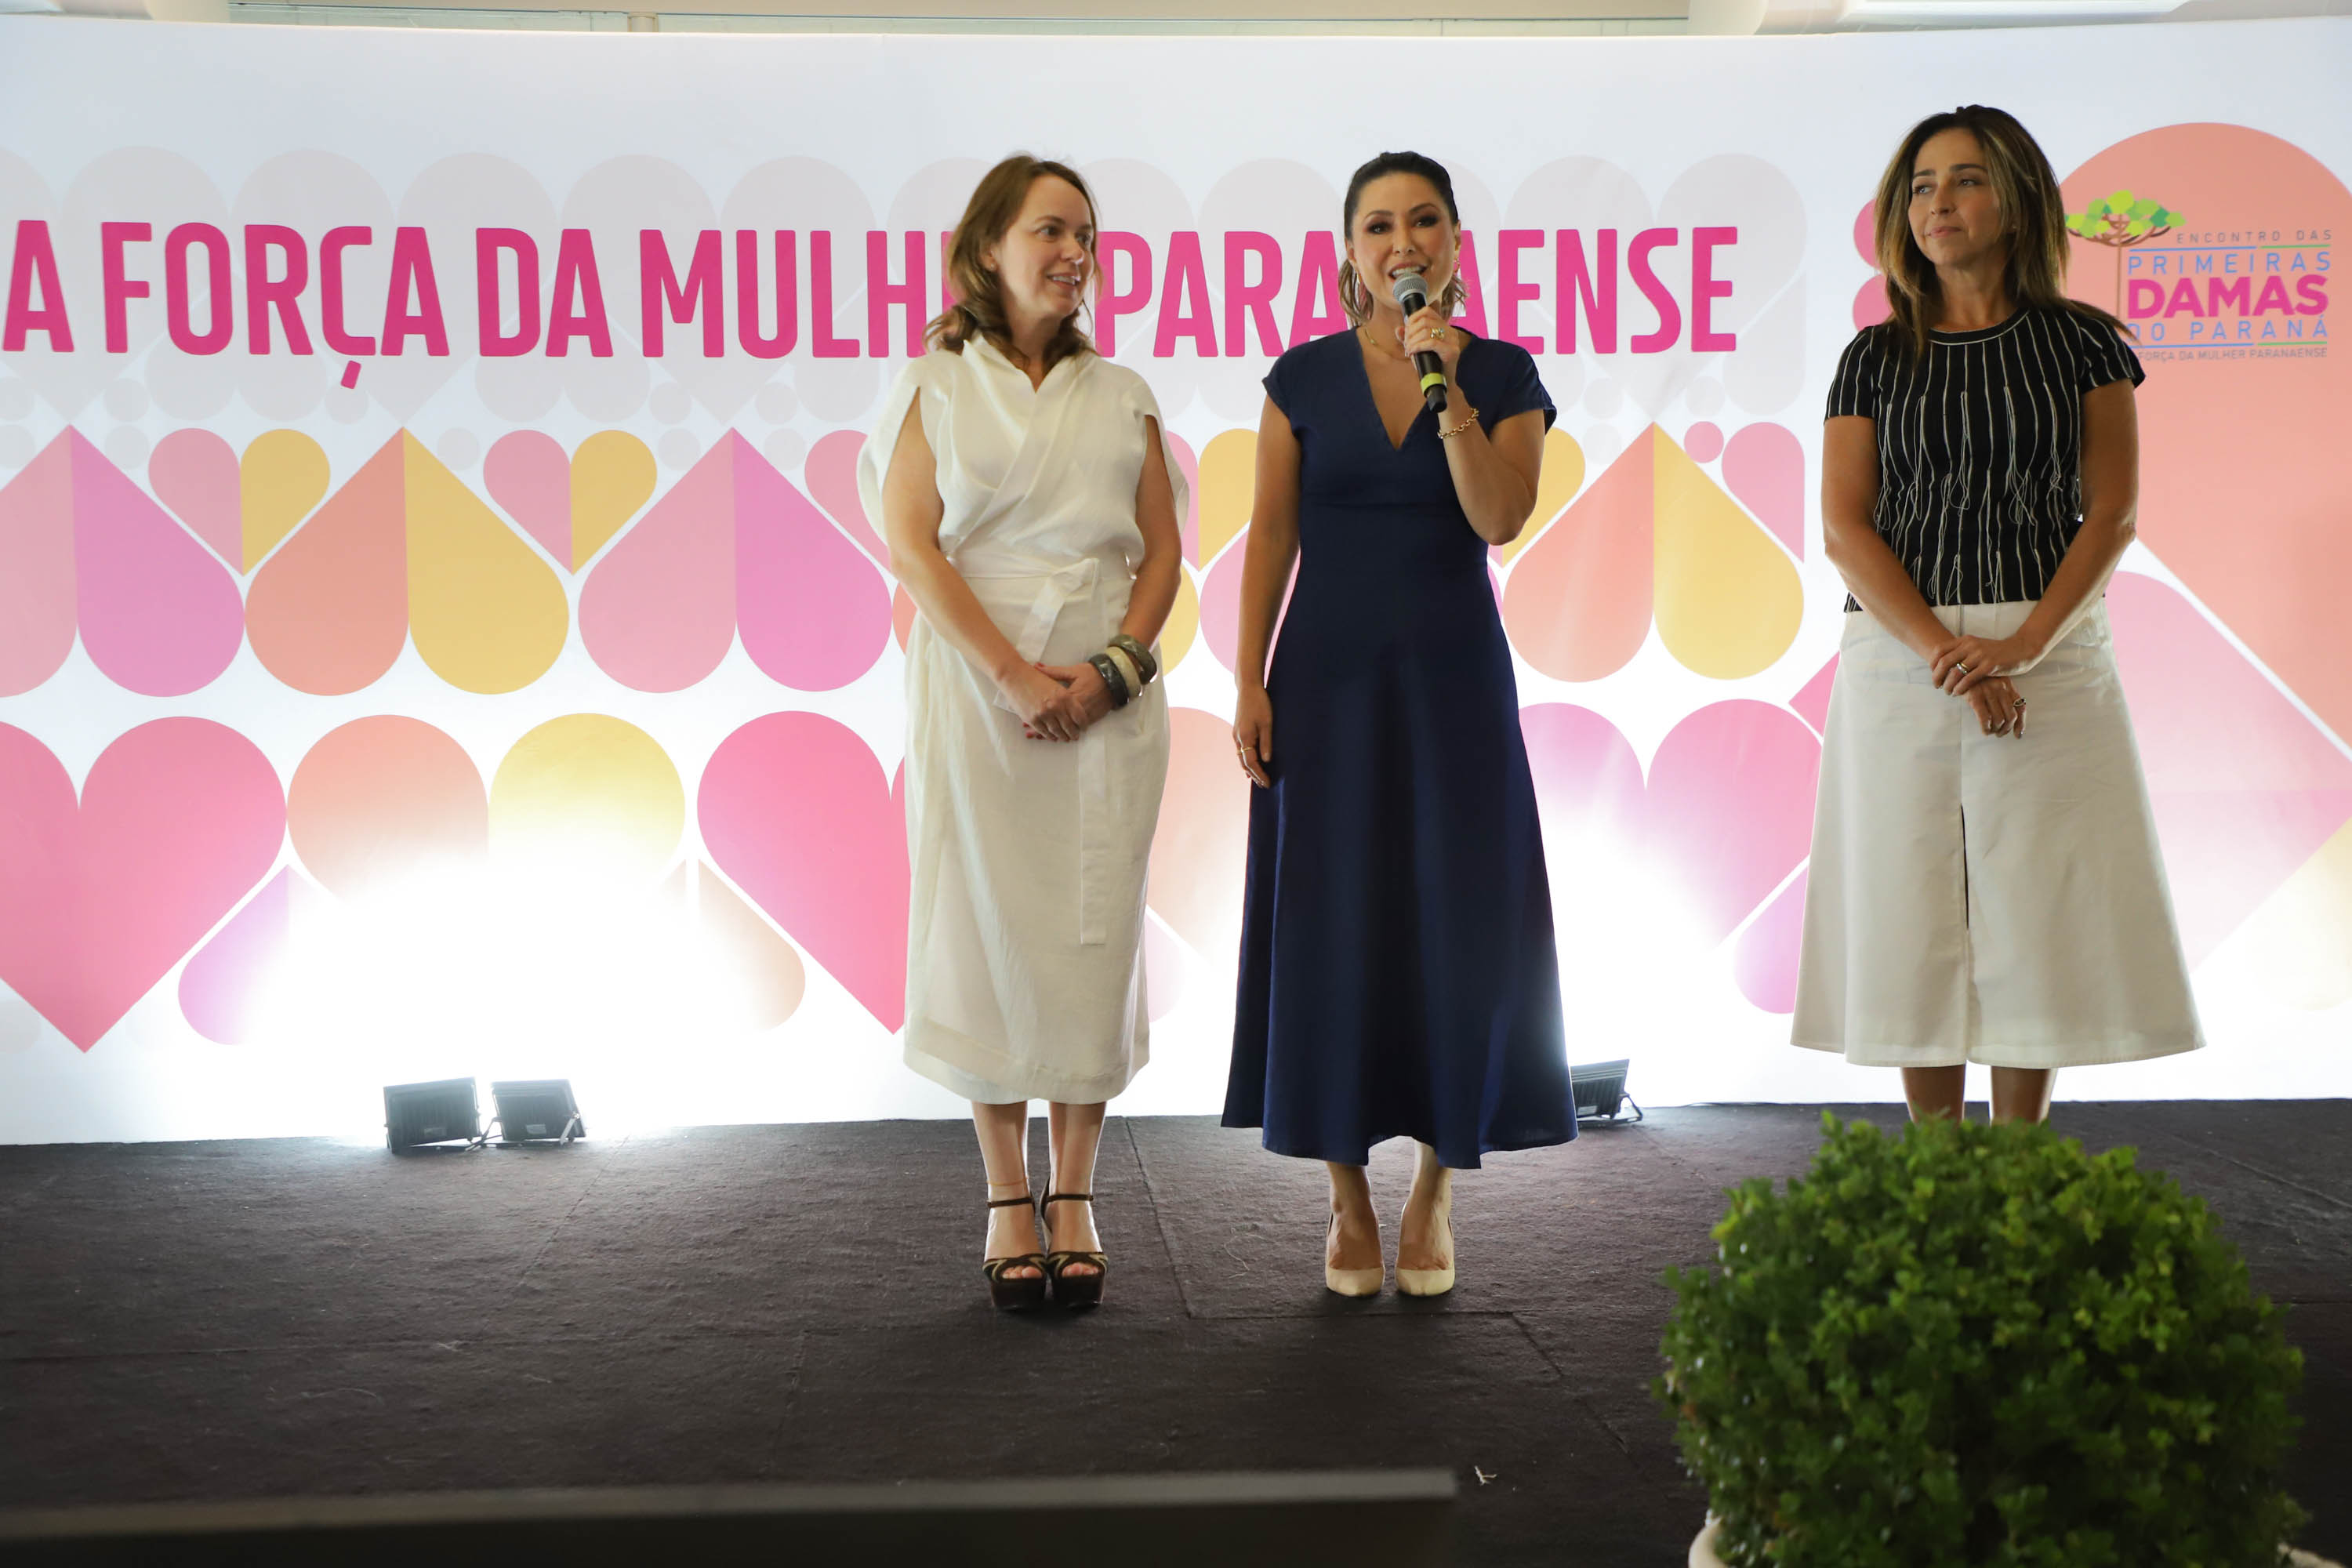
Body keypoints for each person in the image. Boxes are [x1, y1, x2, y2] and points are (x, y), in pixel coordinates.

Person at [1795, 105, 2202, 1123]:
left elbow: (2112, 513)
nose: (1940, 204)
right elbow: (1846, 529)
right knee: (1911, 908)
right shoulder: (1874, 359)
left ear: (2017, 200)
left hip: (2052, 650)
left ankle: (2020, 1163)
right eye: (1922, 186)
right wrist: (1949, 651)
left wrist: (2022, 643)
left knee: (2040, 911)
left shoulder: (2085, 347)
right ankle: (1935, 1168)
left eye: (1965, 180)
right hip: (1902, 659)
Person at [1224, 151, 1575, 1298]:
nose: (1402, 240)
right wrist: (1247, 680)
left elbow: (1499, 514)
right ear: (1349, 254)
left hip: (1452, 688)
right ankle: (1342, 1196)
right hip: (1322, 684)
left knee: (1452, 923)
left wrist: (1449, 394)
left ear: (1458, 247)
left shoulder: (1505, 375)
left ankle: (1435, 1186)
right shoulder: (1300, 378)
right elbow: (1270, 538)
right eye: (1378, 224)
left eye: (1424, 220)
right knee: (1330, 928)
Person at [860, 154, 1185, 1309]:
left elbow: (1161, 556)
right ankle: (1008, 1191)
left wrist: (1109, 673)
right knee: (980, 924)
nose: (1074, 255)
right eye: (1050, 231)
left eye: (1088, 238)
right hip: (976, 689)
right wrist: (1008, 676)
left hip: (1104, 698)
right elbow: (914, 547)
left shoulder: (1124, 393)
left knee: (1092, 933)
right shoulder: (935, 384)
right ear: (987, 246)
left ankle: (1080, 1189)